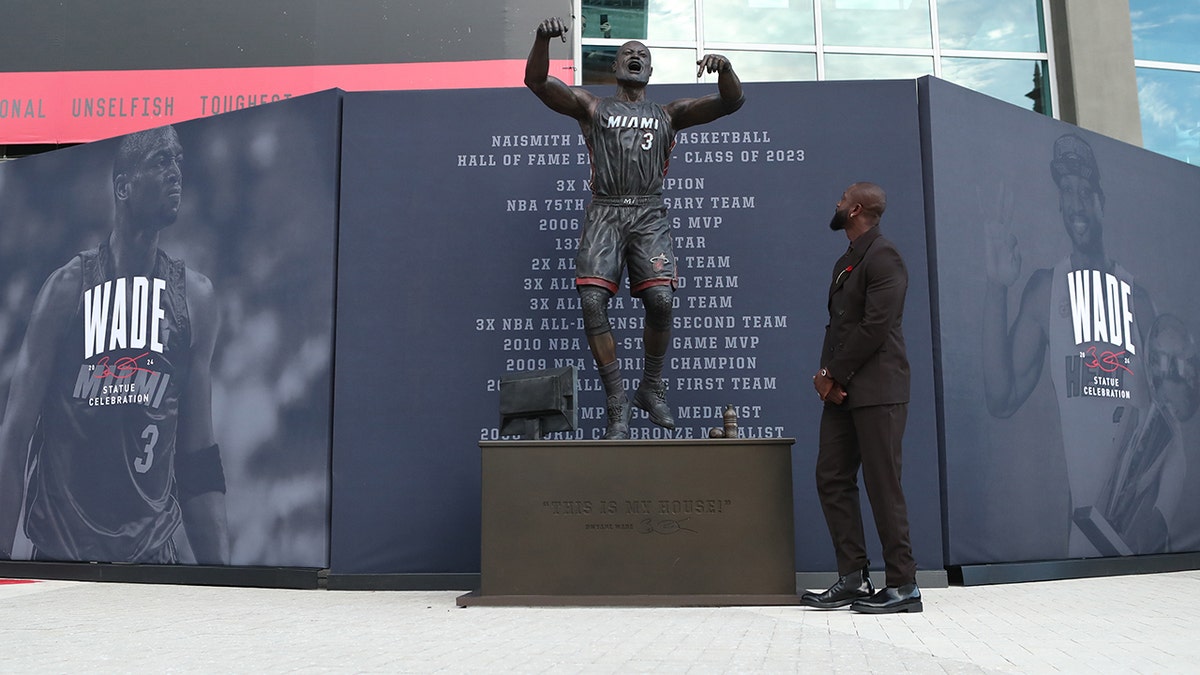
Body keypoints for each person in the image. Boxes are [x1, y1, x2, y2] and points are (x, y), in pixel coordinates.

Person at [0, 125, 229, 565]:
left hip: (151, 557)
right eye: (161, 160)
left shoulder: (195, 300)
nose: (176, 171)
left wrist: (227, 580)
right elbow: (14, 437)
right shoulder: (67, 291)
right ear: (124, 186)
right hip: (63, 556)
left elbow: (198, 455)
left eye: (179, 159)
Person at [525, 17, 744, 439]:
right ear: (614, 67)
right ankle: (616, 404)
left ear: (651, 71)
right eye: (628, 53)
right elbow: (536, 81)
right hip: (606, 211)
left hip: (647, 214)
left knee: (661, 301)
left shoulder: (668, 114)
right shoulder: (593, 108)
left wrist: (726, 68)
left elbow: (731, 102)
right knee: (592, 302)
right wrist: (540, 38)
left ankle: (651, 386)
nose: (636, 56)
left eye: (643, 55)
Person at [982, 132, 1186, 556]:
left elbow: (1171, 433)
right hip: (1086, 533)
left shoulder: (1138, 300)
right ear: (1060, 205)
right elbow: (1001, 399)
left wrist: (1159, 521)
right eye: (1067, 192)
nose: (1075, 203)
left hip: (1142, 534)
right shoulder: (1045, 290)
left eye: (1085, 191)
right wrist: (997, 287)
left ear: (1101, 201)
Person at [803, 182, 921, 614]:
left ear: (855, 209)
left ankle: (903, 584)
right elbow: (838, 327)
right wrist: (828, 379)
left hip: (878, 390)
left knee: (882, 484)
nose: (834, 202)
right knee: (831, 476)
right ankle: (853, 578)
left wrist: (831, 373)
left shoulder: (884, 256)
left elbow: (875, 327)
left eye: (841, 198)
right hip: (842, 393)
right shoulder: (847, 260)